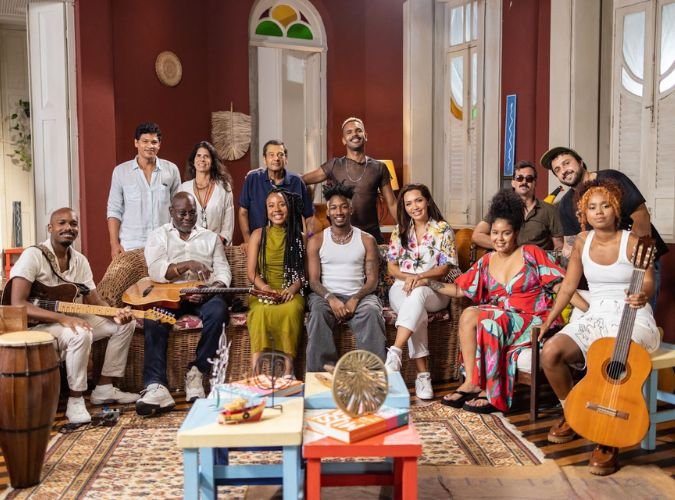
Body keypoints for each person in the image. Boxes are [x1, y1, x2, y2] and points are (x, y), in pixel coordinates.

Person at [419, 190, 585, 413]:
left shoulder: (531, 254)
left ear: (516, 233)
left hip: (533, 318)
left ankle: (492, 392)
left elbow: (562, 286)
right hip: (502, 318)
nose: (499, 238)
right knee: (469, 314)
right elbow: (459, 289)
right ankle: (472, 382)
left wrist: (588, 309)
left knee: (491, 320)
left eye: (506, 233)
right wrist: (427, 282)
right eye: (495, 233)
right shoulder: (487, 261)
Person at [538, 179, 660, 476]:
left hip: (632, 314)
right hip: (596, 313)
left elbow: (647, 281)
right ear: (584, 213)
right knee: (551, 352)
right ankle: (572, 412)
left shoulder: (634, 242)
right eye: (592, 207)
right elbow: (569, 286)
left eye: (605, 206)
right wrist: (549, 320)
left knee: (612, 360)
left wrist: (642, 294)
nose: (599, 212)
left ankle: (608, 437)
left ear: (616, 209)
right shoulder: (582, 241)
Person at [9, 208, 139, 424]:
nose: (68, 227)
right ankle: (76, 399)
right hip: (36, 326)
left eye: (73, 224)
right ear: (50, 228)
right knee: (80, 332)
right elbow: (18, 303)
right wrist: (63, 319)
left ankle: (104, 388)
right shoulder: (33, 256)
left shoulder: (80, 261)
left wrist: (115, 314)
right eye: (61, 223)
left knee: (125, 324)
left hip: (68, 318)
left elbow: (95, 302)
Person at [136, 192, 231, 415]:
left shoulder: (210, 237)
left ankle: (197, 372)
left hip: (202, 294)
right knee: (154, 316)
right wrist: (187, 264)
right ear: (171, 212)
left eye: (192, 213)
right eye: (182, 213)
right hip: (169, 295)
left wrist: (208, 291)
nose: (188, 217)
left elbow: (223, 271)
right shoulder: (159, 236)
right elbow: (156, 271)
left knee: (219, 311)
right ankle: (156, 386)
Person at [540, 146, 667, 309]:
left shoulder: (612, 178)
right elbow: (571, 245)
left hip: (638, 259)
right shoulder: (565, 205)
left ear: (580, 162)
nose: (563, 170)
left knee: (638, 312)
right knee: (611, 317)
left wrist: (640, 258)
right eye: (557, 169)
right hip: (607, 270)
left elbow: (640, 215)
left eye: (566, 163)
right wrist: (552, 265)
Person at [383, 184, 458, 400]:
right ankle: (422, 376)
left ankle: (395, 352)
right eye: (408, 203)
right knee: (417, 310)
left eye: (418, 200)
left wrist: (422, 278)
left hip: (434, 290)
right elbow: (391, 267)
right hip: (402, 288)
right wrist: (410, 278)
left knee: (418, 295)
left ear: (427, 201)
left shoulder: (442, 229)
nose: (414, 207)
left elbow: (444, 268)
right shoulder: (400, 230)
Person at [306, 183, 385, 372]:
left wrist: (355, 299)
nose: (338, 212)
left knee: (372, 311)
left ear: (351, 209)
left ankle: (371, 373)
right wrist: (331, 298)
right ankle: (322, 373)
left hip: (360, 295)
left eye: (343, 207)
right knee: (318, 313)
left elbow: (372, 281)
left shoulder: (367, 240)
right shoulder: (316, 240)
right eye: (333, 208)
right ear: (328, 212)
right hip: (325, 296)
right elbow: (314, 281)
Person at [302, 117, 397, 243]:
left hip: (372, 236)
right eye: (349, 132)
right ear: (343, 140)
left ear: (365, 136)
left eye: (358, 130)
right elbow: (301, 180)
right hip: (341, 237)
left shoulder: (379, 167)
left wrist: (406, 228)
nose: (354, 134)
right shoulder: (334, 165)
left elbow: (392, 203)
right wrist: (308, 210)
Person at [247, 188, 307, 378]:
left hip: (290, 290)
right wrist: (265, 288)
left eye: (282, 204)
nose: (277, 210)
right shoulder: (258, 235)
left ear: (289, 208)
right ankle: (256, 373)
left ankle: (288, 372)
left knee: (291, 310)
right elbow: (251, 273)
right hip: (263, 290)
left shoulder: (300, 237)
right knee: (260, 312)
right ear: (266, 211)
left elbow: (305, 273)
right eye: (271, 206)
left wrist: (293, 288)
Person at [107, 122, 181, 259]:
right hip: (130, 245)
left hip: (164, 243)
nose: (150, 146)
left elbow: (178, 209)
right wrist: (114, 244)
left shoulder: (171, 170)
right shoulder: (121, 172)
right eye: (145, 141)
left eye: (154, 142)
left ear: (159, 144)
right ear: (136, 143)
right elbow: (114, 210)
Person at [239, 140, 315, 253]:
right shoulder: (253, 179)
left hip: (290, 246)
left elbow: (309, 216)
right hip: (259, 244)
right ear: (264, 159)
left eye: (280, 154)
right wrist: (248, 241)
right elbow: (243, 212)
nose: (276, 158)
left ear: (286, 158)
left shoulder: (297, 181)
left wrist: (308, 239)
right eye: (271, 155)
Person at [472, 160, 562, 251]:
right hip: (506, 257)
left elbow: (558, 245)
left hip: (537, 259)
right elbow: (477, 236)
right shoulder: (502, 207)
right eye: (519, 178)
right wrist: (505, 246)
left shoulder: (549, 210)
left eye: (529, 179)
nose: (524, 182)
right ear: (513, 182)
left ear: (535, 183)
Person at [178, 141, 234, 245]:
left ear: (212, 162)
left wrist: (220, 240)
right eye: (198, 155)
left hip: (218, 245)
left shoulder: (224, 187)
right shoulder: (183, 188)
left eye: (206, 156)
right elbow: (177, 221)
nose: (202, 159)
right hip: (191, 246)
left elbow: (228, 222)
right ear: (193, 161)